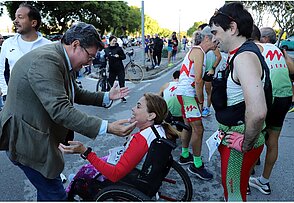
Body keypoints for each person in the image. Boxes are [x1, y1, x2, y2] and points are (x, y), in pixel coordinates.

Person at [0, 22, 137, 201]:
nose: (91, 62)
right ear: (75, 45)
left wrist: (106, 96)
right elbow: (60, 110)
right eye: (90, 56)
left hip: (38, 138)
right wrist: (108, 127)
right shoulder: (47, 61)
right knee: (55, 195)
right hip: (27, 141)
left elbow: (75, 92)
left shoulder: (62, 58)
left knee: (48, 192)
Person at [59, 93, 179, 198]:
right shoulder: (160, 130)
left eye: (138, 106)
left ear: (151, 116)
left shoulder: (141, 139)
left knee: (82, 175)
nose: (132, 109)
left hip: (128, 179)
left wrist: (86, 152)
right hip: (145, 174)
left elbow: (115, 174)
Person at [209, 2, 269, 201]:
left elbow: (258, 111)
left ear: (232, 28)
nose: (214, 39)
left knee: (233, 194)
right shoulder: (240, 54)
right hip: (234, 135)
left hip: (238, 141)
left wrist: (246, 143)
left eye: (216, 32)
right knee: (236, 189)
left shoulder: (244, 58)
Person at [249, 26, 293, 195]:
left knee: (254, 136)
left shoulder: (254, 49)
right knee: (273, 140)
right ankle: (264, 181)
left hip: (270, 95)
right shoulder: (276, 49)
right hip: (286, 96)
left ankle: (245, 179)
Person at [175, 26, 216, 180]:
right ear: (207, 38)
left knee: (188, 126)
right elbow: (198, 81)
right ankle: (196, 165)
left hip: (184, 93)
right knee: (198, 129)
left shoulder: (200, 52)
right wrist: (201, 100)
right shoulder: (199, 51)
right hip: (188, 94)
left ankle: (185, 155)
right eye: (215, 40)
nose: (217, 43)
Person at [0, 3, 51, 101]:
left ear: (33, 23)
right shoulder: (8, 44)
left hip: (41, 101)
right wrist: (6, 93)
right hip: (14, 100)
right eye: (15, 17)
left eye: (20, 17)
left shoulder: (48, 46)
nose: (15, 21)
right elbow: (1, 69)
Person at [197, 23, 222, 117]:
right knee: (199, 89)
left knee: (208, 91)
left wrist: (212, 68)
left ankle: (207, 108)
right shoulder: (200, 46)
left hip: (208, 71)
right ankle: (201, 107)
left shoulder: (212, 45)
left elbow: (218, 57)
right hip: (201, 70)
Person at [104, 35, 127, 103]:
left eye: (115, 41)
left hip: (120, 68)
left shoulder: (119, 48)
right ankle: (107, 97)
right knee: (110, 83)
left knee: (122, 83)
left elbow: (124, 57)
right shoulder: (107, 49)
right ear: (110, 41)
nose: (114, 42)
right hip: (112, 69)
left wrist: (119, 56)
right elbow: (104, 57)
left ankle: (122, 97)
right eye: (113, 41)